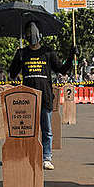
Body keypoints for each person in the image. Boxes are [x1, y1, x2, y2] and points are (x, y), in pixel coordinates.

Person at [8, 20, 76, 170]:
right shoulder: (22, 53)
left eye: (33, 32)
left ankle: (46, 157)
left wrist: (71, 56)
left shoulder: (48, 52)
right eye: (28, 32)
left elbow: (62, 70)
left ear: (40, 34)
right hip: (27, 99)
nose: (31, 35)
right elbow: (12, 73)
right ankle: (28, 155)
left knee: (47, 130)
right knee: (28, 130)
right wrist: (17, 59)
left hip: (45, 97)